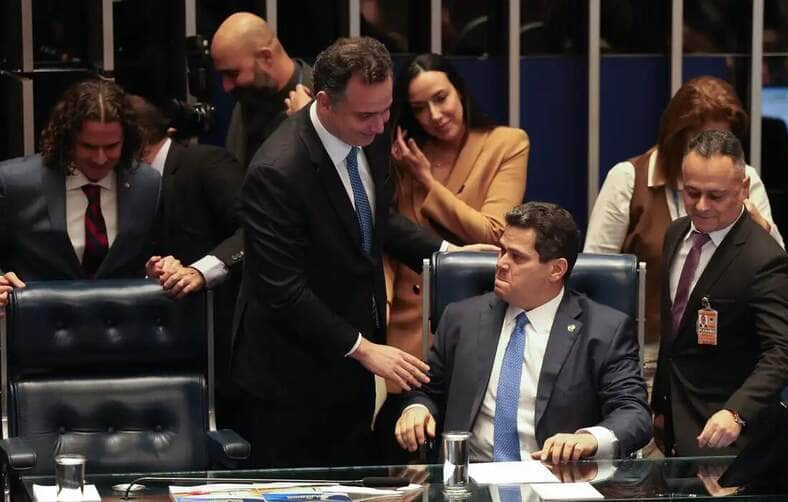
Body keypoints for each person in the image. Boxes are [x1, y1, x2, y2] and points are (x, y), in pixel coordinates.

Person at [232, 37, 481, 468]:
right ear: (324, 102)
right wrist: (364, 348)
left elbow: (374, 218)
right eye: (367, 114)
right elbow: (283, 291)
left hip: (352, 368)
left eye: (386, 110)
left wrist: (449, 252)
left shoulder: (372, 131)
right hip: (289, 378)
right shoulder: (278, 171)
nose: (381, 125)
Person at [395, 202, 651, 462]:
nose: (501, 263)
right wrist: (417, 409)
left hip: (555, 478)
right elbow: (427, 390)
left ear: (556, 269)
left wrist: (589, 439)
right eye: (503, 251)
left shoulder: (604, 330)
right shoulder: (462, 317)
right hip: (471, 478)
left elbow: (633, 412)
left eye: (517, 257)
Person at [584, 76, 784, 391]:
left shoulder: (743, 180)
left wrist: (754, 222)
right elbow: (594, 277)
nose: (713, 150)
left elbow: (775, 272)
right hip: (645, 356)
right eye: (700, 139)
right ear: (676, 137)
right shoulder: (627, 179)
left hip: (725, 356)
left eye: (723, 138)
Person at [377, 54, 529, 451]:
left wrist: (426, 180)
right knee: (399, 455)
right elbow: (388, 237)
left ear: (459, 90)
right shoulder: (402, 151)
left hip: (474, 321)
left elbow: (493, 233)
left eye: (441, 98)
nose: (435, 115)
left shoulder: (505, 143)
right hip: (405, 331)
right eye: (419, 108)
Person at [651, 130, 788, 457]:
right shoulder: (675, 234)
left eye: (715, 196)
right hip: (672, 425)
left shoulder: (765, 258)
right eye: (691, 193)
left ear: (743, 189)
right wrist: (660, 406)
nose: (701, 206)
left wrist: (737, 413)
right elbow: (674, 336)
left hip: (730, 439)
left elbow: (782, 353)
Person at [129, 95, 245, 427]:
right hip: (168, 347)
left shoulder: (206, 162)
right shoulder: (128, 186)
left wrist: (201, 269)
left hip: (228, 346)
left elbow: (257, 229)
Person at [0, 78, 160, 315]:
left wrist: (157, 269)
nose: (100, 158)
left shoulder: (146, 184)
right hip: (37, 330)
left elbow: (149, 259)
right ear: (67, 138)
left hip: (121, 334)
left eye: (112, 146)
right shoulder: (15, 182)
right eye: (88, 146)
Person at [210, 12, 314, 166]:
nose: (226, 86)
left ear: (266, 57)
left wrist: (311, 128)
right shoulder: (247, 99)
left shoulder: (325, 101)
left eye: (232, 74)